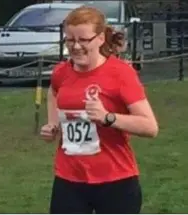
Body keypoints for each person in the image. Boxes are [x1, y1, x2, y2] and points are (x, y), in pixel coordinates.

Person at [40, 6, 159, 214]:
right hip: (69, 179)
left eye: (83, 40)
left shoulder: (121, 74)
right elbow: (53, 91)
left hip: (115, 179)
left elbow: (150, 127)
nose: (75, 46)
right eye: (69, 40)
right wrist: (53, 124)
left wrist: (108, 118)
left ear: (101, 38)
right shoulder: (61, 72)